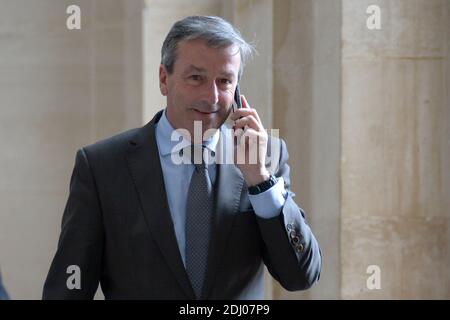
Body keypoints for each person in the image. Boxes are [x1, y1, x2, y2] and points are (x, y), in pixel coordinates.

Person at [43, 15, 321, 300]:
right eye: (196, 78)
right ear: (165, 79)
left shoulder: (267, 158)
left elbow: (300, 276)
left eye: (224, 81)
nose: (211, 97)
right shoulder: (102, 166)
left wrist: (260, 180)